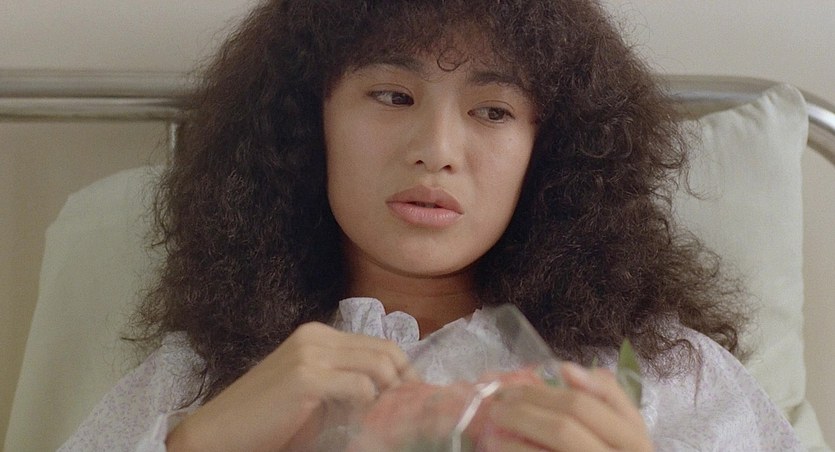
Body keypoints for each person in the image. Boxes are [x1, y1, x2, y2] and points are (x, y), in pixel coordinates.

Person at [61, 0, 804, 450]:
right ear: (304, 124)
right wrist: (197, 444)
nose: (436, 150)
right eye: (392, 96)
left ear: (551, 151)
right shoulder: (207, 379)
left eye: (493, 111)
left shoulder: (669, 374)